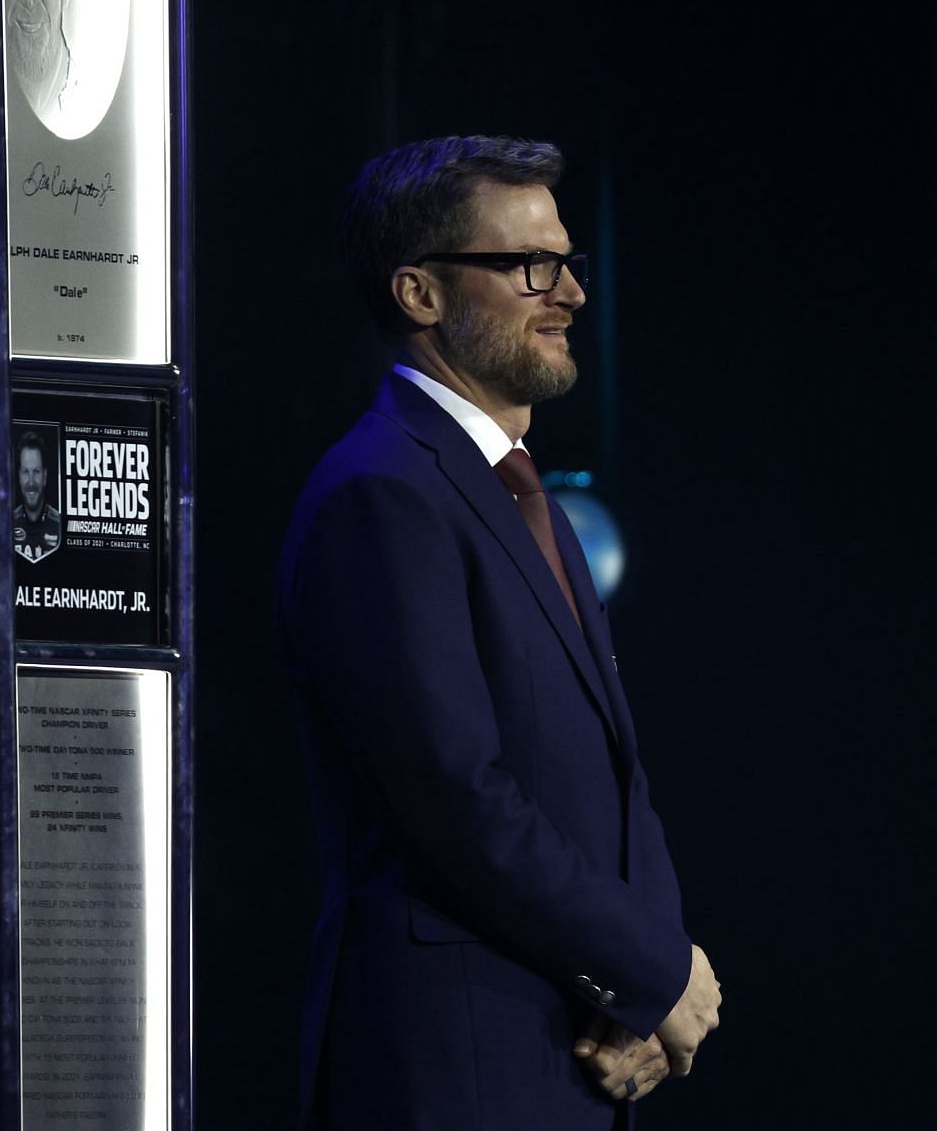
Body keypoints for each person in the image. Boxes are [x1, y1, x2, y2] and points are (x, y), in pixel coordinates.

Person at [278, 136, 722, 1129]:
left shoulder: (533, 502)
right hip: (455, 1073)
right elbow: (455, 799)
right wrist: (654, 970)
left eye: (569, 263)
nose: (566, 292)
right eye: (528, 265)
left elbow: (613, 778)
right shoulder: (381, 494)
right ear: (419, 294)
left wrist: (651, 984)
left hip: (572, 1062)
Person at [13, 430, 62, 563]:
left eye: (36, 472)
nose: (31, 481)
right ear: (18, 476)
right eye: (25, 472)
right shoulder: (7, 525)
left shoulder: (61, 526)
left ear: (45, 476)